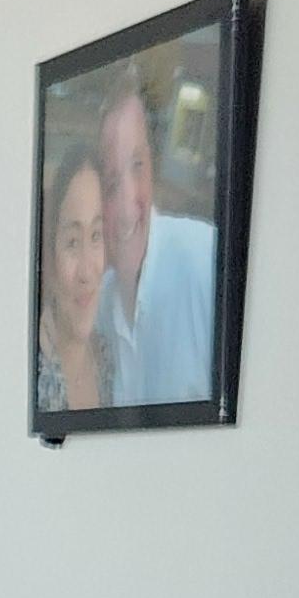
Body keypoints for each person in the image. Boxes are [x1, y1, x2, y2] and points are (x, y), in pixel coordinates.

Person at [93, 68, 217, 405]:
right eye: (111, 182)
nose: (127, 203)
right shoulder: (100, 308)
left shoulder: (207, 264)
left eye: (137, 165)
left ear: (155, 168)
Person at [36, 140, 118, 414]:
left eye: (96, 236)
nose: (86, 272)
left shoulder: (107, 359)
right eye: (72, 242)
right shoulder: (34, 373)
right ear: (49, 255)